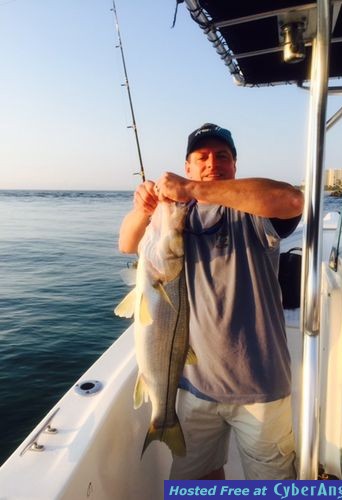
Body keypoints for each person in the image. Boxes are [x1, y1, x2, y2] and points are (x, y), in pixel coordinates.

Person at [119, 123, 304, 480]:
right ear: (187, 165)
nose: (212, 163)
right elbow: (127, 243)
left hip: (261, 388)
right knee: (196, 482)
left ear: (235, 165)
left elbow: (292, 200)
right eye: (201, 157)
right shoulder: (175, 218)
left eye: (222, 156)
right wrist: (144, 208)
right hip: (194, 386)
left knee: (273, 486)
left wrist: (193, 189)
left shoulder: (252, 211)